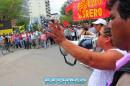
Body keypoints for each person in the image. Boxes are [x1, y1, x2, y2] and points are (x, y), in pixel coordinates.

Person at [48, 21, 127, 86]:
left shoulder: (118, 54)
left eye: (99, 34)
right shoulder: (106, 51)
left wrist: (62, 41)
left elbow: (90, 59)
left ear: (107, 39)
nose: (97, 36)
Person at [106, 0, 130, 85]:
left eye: (112, 18)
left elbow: (90, 59)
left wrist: (63, 41)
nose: (109, 25)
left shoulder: (127, 79)